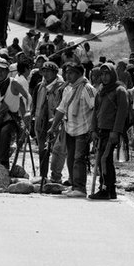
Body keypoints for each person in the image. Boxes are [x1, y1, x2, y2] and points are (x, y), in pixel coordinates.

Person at [47, 62, 97, 197]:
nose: (67, 75)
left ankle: (80, 188)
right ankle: (74, 184)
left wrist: (93, 130)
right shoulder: (69, 89)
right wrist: (53, 127)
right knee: (70, 158)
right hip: (70, 129)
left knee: (79, 159)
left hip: (83, 130)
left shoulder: (87, 89)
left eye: (71, 72)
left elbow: (95, 109)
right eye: (67, 72)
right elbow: (61, 109)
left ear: (80, 74)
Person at [89, 63, 129, 200]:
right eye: (102, 74)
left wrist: (116, 131)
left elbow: (122, 113)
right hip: (100, 131)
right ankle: (111, 190)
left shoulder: (120, 90)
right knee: (102, 161)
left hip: (111, 131)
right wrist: (93, 129)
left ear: (112, 74)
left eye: (107, 74)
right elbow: (95, 111)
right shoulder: (101, 90)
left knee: (104, 160)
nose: (105, 77)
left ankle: (105, 189)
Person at [31, 61, 66, 184]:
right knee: (42, 150)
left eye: (49, 71)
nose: (46, 74)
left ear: (55, 73)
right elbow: (34, 105)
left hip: (55, 123)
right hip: (41, 123)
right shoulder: (40, 86)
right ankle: (43, 176)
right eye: (44, 71)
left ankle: (56, 177)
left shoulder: (62, 87)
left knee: (57, 151)